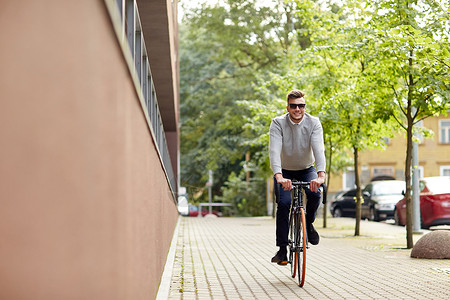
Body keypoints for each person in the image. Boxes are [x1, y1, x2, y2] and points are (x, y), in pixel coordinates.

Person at [269, 89, 326, 265]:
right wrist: (278, 176)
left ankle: (308, 225)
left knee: (316, 194)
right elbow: (274, 151)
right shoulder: (277, 123)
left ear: (305, 106)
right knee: (284, 204)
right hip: (284, 172)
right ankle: (282, 249)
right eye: (293, 106)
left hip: (306, 168)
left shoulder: (314, 123)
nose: (297, 109)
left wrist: (321, 175)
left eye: (301, 105)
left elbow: (319, 149)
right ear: (288, 107)